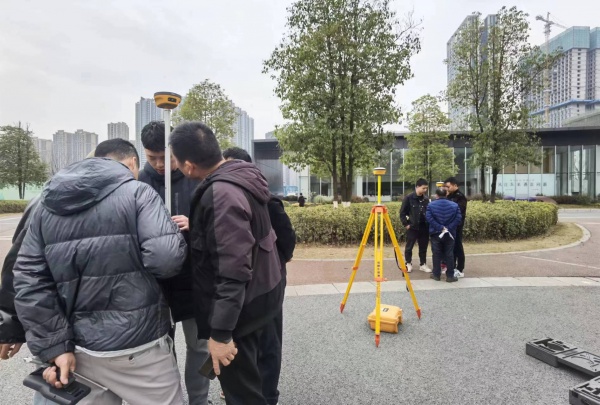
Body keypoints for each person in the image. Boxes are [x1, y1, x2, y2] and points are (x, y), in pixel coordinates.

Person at [13, 139, 187, 405]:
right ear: (131, 164)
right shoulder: (139, 193)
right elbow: (166, 260)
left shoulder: (46, 205)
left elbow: (28, 282)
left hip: (78, 350)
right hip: (140, 347)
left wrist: (55, 347)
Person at [170, 122, 284, 405]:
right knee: (258, 387)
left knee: (243, 396)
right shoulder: (243, 176)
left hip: (241, 314)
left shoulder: (221, 194)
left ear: (187, 165)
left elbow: (231, 270)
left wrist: (220, 335)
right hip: (264, 298)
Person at [140, 121, 210, 405]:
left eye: (165, 157)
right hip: (154, 285)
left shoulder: (197, 179)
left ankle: (198, 400)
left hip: (194, 280)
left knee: (200, 347)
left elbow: (218, 224)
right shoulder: (136, 185)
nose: (159, 164)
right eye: (151, 157)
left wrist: (195, 225)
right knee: (158, 352)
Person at [222, 147, 296, 405]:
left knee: (268, 344)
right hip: (243, 290)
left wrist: (272, 267)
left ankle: (267, 395)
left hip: (268, 287)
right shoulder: (229, 200)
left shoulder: (269, 201)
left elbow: (287, 243)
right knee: (244, 342)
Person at [426, 187, 462, 283]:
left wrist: (440, 228)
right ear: (446, 194)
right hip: (450, 233)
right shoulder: (455, 205)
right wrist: (448, 228)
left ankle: (436, 274)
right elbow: (458, 218)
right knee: (449, 254)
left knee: (436, 254)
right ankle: (450, 276)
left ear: (436, 195)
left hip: (436, 233)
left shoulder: (431, 205)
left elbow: (429, 218)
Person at [399, 179, 432, 273]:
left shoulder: (426, 199)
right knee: (409, 246)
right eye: (423, 188)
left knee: (423, 247)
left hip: (424, 227)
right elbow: (402, 213)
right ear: (417, 187)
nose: (425, 190)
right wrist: (406, 224)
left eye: (426, 188)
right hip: (412, 227)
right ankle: (408, 263)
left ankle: (423, 264)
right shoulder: (409, 198)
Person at [444, 177, 467, 278]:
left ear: (455, 186)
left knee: (458, 247)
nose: (446, 189)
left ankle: (460, 269)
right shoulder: (449, 196)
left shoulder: (460, 197)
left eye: (448, 187)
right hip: (448, 227)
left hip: (456, 226)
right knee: (450, 248)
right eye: (445, 187)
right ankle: (452, 267)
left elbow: (458, 212)